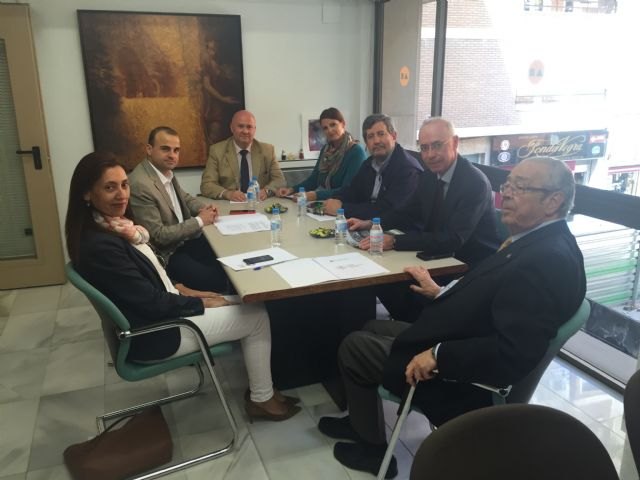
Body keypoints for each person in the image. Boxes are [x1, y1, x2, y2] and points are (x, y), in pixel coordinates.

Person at [317, 157, 586, 478]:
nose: (506, 193)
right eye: (508, 184)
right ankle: (361, 422)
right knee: (371, 325)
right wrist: (441, 292)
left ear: (553, 201)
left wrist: (438, 354)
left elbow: (513, 353)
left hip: (463, 381)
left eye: (521, 187)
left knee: (354, 346)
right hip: (461, 337)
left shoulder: (544, 261)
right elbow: (495, 295)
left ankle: (373, 450)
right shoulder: (540, 242)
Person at [65, 152, 301, 422]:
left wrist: (189, 291)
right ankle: (262, 399)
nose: (122, 194)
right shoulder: (102, 247)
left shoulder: (115, 227)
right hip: (158, 332)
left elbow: (149, 281)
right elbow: (150, 301)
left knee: (246, 300)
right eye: (110, 187)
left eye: (124, 185)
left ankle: (265, 390)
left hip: (162, 311)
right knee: (257, 316)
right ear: (87, 193)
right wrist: (200, 303)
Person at [348, 117, 501, 322]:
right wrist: (372, 223)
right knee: (379, 282)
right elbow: (406, 212)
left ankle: (419, 330)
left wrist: (395, 241)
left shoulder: (474, 183)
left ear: (455, 142)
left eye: (437, 145)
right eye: (424, 148)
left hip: (467, 267)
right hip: (438, 256)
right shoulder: (430, 176)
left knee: (393, 286)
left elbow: (453, 238)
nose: (430, 155)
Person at [128, 126, 227, 293]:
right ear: (149, 149)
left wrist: (205, 208)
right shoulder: (140, 184)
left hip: (184, 241)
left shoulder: (164, 172)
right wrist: (200, 220)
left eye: (176, 150)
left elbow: (185, 198)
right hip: (168, 254)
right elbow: (158, 236)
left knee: (226, 255)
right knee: (217, 277)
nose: (172, 155)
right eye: (165, 149)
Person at [323, 114, 423, 218]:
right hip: (369, 223)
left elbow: (388, 210)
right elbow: (353, 190)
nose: (376, 141)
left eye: (381, 134)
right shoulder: (369, 163)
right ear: (366, 143)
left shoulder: (407, 169)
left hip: (395, 226)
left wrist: (343, 209)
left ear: (394, 136)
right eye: (370, 136)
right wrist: (335, 200)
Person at [275, 108, 367, 201]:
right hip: (326, 203)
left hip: (345, 206)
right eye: (325, 128)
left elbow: (348, 191)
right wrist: (291, 190)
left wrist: (315, 195)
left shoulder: (356, 152)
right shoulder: (326, 150)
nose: (330, 130)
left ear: (343, 124)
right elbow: (314, 180)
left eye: (333, 125)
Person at [200, 110, 285, 201]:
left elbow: (280, 180)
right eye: (240, 126)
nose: (245, 131)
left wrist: (266, 191)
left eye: (249, 127)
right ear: (232, 128)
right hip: (229, 205)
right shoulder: (217, 151)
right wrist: (227, 194)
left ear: (254, 129)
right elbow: (206, 184)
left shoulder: (267, 150)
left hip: (258, 203)